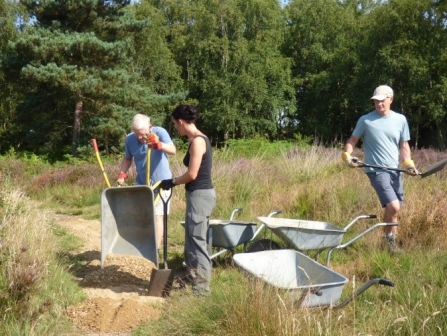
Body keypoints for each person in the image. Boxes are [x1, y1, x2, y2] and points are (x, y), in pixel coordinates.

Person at [342, 85, 418, 253]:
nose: (379, 104)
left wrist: (408, 164)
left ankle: (389, 244)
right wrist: (347, 156)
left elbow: (404, 145)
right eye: (376, 101)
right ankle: (389, 241)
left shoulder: (400, 120)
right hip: (376, 170)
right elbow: (352, 141)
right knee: (394, 206)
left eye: (382, 100)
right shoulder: (366, 120)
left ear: (391, 99)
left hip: (395, 171)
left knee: (394, 209)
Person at [159, 104, 216, 296]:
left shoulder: (198, 141)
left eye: (175, 124)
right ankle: (192, 282)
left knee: (197, 242)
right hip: (198, 195)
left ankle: (201, 292)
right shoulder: (197, 140)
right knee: (192, 241)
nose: (175, 128)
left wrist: (172, 181)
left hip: (200, 195)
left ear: (182, 122)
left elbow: (192, 174)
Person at [117, 113, 176, 249]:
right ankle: (141, 245)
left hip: (162, 183)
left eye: (143, 134)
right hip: (142, 183)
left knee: (157, 216)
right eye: (137, 133)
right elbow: (127, 158)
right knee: (141, 215)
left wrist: (158, 144)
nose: (140, 137)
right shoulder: (129, 139)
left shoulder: (159, 132)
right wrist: (122, 174)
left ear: (150, 127)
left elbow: (173, 150)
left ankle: (155, 250)